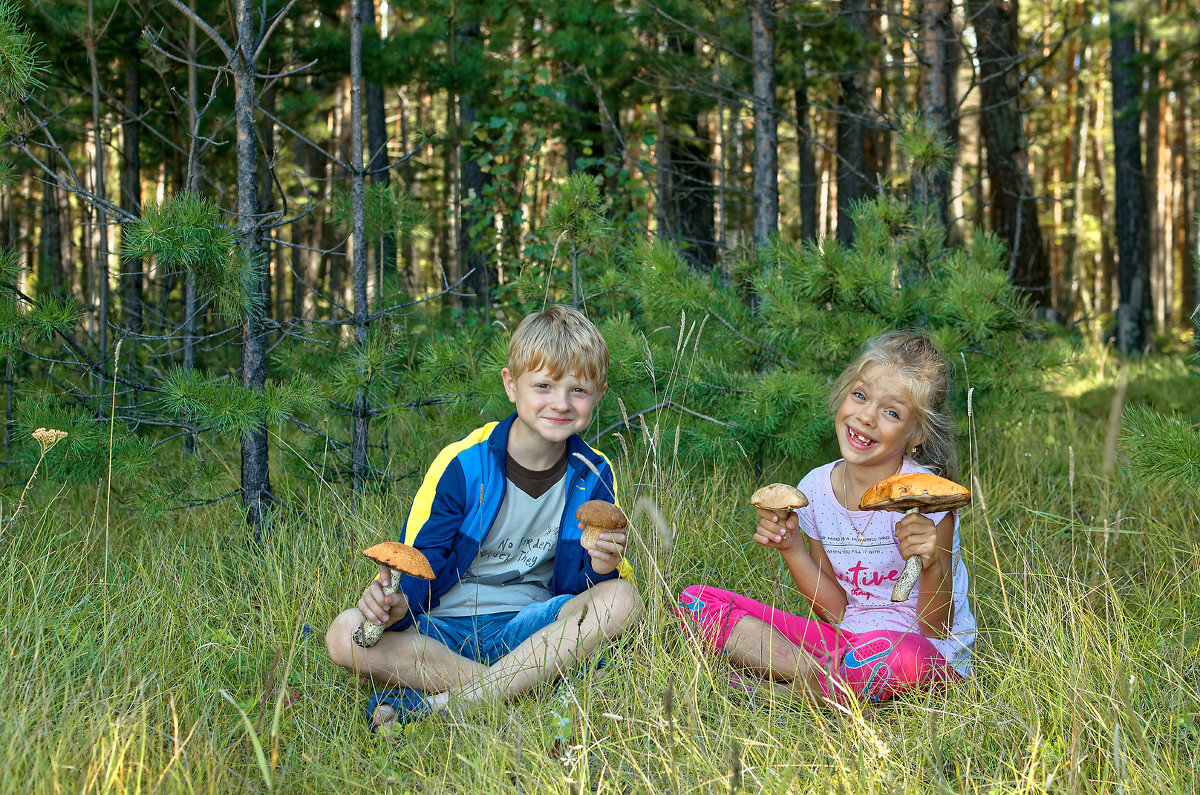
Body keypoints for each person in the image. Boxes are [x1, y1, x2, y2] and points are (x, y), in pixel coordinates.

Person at [327, 305, 641, 730]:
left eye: (578, 390)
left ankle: (443, 704)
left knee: (623, 598)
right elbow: (420, 561)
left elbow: (578, 591)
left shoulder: (593, 473)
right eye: (544, 385)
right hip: (445, 630)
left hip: (530, 630)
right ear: (511, 385)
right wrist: (397, 608)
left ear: (599, 394)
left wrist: (602, 568)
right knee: (344, 633)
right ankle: (520, 690)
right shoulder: (463, 464)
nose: (561, 403)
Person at [678, 330, 975, 702]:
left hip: (920, 654)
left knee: (902, 658)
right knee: (697, 602)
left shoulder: (930, 498)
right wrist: (791, 548)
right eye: (860, 395)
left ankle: (782, 692)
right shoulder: (816, 490)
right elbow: (836, 611)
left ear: (915, 433)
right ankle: (819, 679)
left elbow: (938, 626)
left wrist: (931, 563)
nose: (866, 417)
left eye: (891, 412)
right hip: (846, 642)